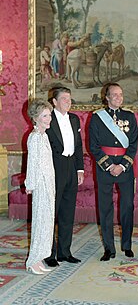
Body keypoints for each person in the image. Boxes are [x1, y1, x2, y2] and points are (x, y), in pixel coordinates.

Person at [89, 83, 138, 261]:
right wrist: (110, 166)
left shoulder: (130, 117)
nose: (118, 98)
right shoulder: (97, 118)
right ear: (107, 97)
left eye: (120, 94)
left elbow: (133, 145)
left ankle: (127, 245)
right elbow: (93, 146)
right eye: (114, 95)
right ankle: (109, 248)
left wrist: (123, 165)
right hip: (105, 168)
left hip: (125, 167)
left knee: (127, 207)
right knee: (105, 208)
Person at [45, 86, 84, 267]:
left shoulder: (75, 119)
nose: (67, 102)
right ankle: (49, 253)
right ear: (54, 102)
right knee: (51, 213)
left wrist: (80, 170)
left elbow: (78, 146)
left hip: (71, 167)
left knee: (68, 212)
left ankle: (64, 252)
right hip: (54, 167)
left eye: (69, 99)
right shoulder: (47, 120)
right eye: (63, 99)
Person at [25, 99, 55, 275]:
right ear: (35, 118)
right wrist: (31, 184)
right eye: (44, 116)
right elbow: (33, 164)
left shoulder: (44, 136)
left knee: (47, 221)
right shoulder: (35, 137)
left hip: (49, 183)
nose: (48, 118)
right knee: (40, 221)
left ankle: (40, 256)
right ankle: (33, 259)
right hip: (41, 185)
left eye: (49, 115)